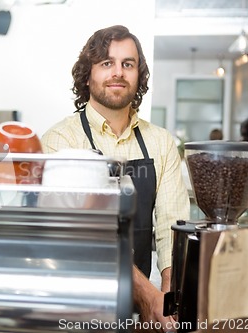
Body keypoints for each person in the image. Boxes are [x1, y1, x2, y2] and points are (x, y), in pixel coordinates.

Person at [41, 25, 190, 332]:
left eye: (128, 64)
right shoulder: (59, 142)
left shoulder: (161, 143)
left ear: (139, 75)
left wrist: (167, 298)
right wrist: (149, 295)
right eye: (106, 63)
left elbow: (171, 228)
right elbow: (83, 235)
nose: (118, 72)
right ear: (88, 74)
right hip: (77, 308)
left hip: (141, 314)